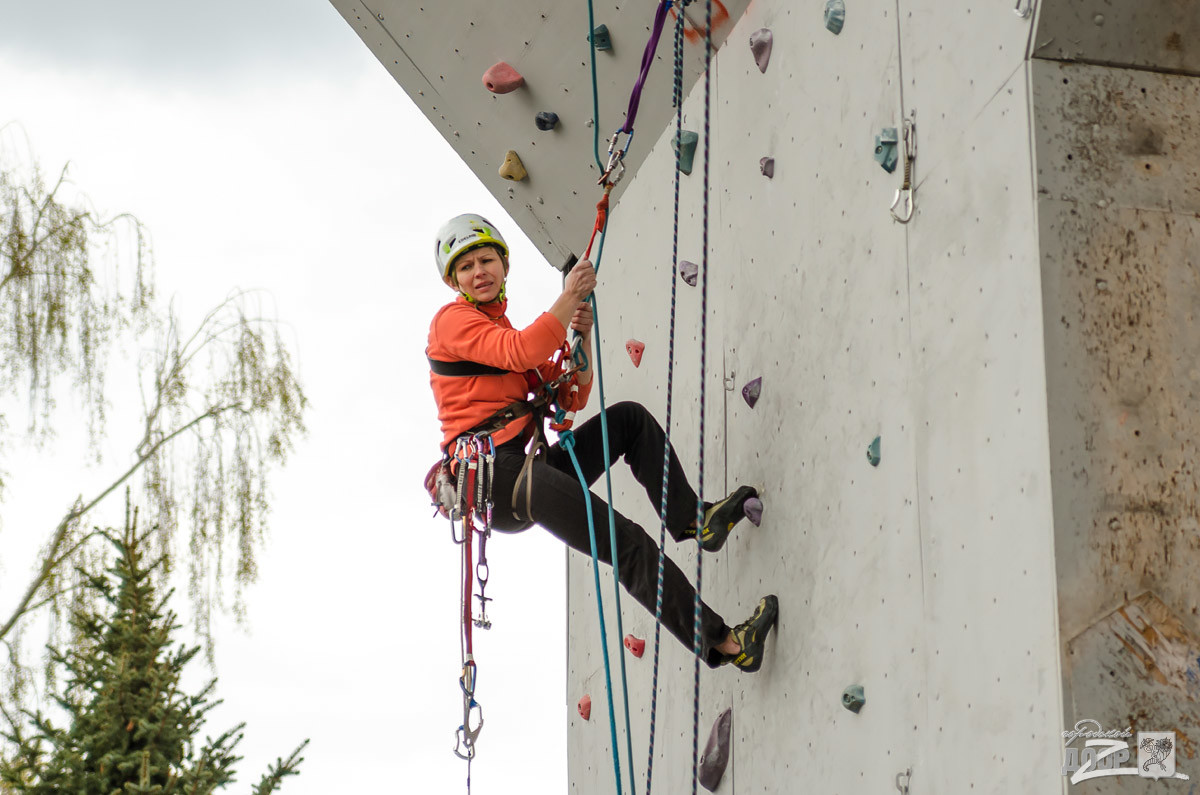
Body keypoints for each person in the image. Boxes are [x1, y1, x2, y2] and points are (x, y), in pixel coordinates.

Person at [426, 213, 778, 671]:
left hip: (531, 464)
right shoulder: (453, 322)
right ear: (457, 282)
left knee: (627, 421)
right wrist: (568, 295)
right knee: (627, 543)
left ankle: (695, 520)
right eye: (468, 266)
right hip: (500, 477)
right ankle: (730, 644)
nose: (480, 271)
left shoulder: (500, 332)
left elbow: (572, 393)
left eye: (487, 259)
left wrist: (582, 336)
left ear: (503, 265)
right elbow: (522, 352)